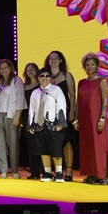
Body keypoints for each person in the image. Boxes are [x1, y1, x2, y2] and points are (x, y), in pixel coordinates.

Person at [74, 53, 108, 185]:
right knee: (88, 147)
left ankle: (102, 175)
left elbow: (105, 102)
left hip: (97, 120)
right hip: (85, 121)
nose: (89, 67)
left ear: (97, 66)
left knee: (99, 147)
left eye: (92, 64)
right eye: (87, 65)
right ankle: (91, 174)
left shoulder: (102, 82)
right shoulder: (81, 83)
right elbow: (78, 102)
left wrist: (102, 118)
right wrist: (76, 119)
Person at [27, 67, 68, 183]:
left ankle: (59, 173)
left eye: (47, 76)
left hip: (53, 124)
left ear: (50, 78)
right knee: (43, 150)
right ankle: (47, 172)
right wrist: (30, 125)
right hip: (40, 125)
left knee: (56, 149)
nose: (44, 78)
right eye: (42, 76)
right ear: (38, 78)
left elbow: (61, 106)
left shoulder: (56, 90)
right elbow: (32, 110)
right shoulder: (35, 93)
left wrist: (61, 123)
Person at [44, 50, 77, 181]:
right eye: (51, 58)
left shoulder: (66, 75)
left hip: (65, 113)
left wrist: (72, 112)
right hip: (50, 115)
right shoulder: (45, 76)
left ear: (60, 60)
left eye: (55, 58)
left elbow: (72, 95)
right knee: (53, 142)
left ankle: (68, 171)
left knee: (67, 141)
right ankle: (57, 171)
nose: (53, 61)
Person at [0, 58, 26, 179]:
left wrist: (17, 116)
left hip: (11, 115)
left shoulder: (17, 81)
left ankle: (15, 170)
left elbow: (21, 99)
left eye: (6, 67)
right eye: (1, 68)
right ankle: (3, 170)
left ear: (11, 68)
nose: (3, 70)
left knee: (13, 144)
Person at [22, 62, 42, 179]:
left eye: (32, 70)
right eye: (28, 71)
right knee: (31, 145)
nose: (30, 72)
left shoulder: (41, 84)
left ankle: (44, 170)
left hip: (39, 116)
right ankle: (34, 171)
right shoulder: (24, 86)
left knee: (41, 144)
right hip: (27, 117)